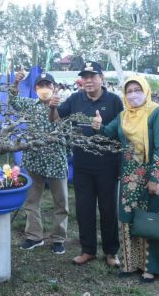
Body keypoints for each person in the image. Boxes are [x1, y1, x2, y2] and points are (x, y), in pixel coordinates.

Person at [92, 76, 159, 283]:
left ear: (146, 90)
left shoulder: (157, 112)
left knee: (152, 218)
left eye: (137, 89)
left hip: (153, 173)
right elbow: (108, 133)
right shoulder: (124, 115)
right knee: (130, 218)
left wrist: (155, 179)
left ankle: (153, 267)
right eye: (129, 90)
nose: (133, 94)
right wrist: (98, 125)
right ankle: (132, 264)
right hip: (130, 176)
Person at [49, 61, 123, 267]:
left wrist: (103, 128)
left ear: (102, 78)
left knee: (108, 209)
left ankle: (111, 252)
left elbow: (121, 131)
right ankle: (87, 250)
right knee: (84, 208)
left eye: (93, 76)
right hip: (82, 164)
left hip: (107, 164)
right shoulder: (75, 99)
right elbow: (55, 119)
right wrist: (52, 107)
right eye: (85, 77)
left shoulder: (114, 101)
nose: (88, 81)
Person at [12, 71, 69, 255]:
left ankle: (58, 238)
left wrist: (54, 108)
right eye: (41, 85)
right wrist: (16, 82)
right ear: (36, 88)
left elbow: (59, 123)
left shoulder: (65, 107)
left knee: (61, 202)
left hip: (56, 160)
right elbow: (13, 101)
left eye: (48, 85)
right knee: (32, 200)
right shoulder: (30, 105)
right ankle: (34, 236)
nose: (44, 89)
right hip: (34, 158)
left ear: (55, 88)